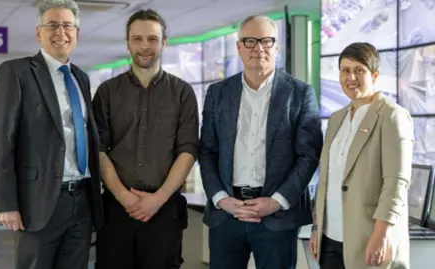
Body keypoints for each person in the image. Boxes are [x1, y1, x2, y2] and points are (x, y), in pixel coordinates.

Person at [198, 15, 323, 269]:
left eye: (267, 41)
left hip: (277, 216)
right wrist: (221, 199)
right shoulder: (218, 93)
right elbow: (207, 151)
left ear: (277, 47)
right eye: (250, 41)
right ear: (239, 47)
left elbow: (308, 155)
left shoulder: (300, 93)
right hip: (227, 215)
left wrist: (276, 201)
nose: (258, 48)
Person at [0, 0, 103, 268]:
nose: (60, 32)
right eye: (52, 25)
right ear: (38, 32)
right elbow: (1, 141)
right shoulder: (16, 72)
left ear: (77, 33)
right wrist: (5, 202)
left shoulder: (81, 78)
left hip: (82, 199)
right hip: (39, 200)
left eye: (67, 25)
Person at [91, 9, 199, 269]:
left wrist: (158, 199)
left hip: (164, 210)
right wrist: (124, 197)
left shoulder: (182, 93)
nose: (144, 46)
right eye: (137, 39)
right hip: (116, 210)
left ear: (163, 43)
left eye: (152, 39)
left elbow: (188, 150)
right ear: (128, 43)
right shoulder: (107, 92)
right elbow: (99, 149)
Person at [309, 42, 414, 269]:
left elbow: (397, 182)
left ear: (374, 75)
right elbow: (326, 179)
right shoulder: (337, 118)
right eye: (345, 70)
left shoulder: (392, 116)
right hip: (331, 238)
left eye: (359, 70)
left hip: (369, 238)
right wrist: (317, 227)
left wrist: (381, 233)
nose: (351, 77)